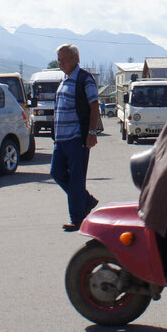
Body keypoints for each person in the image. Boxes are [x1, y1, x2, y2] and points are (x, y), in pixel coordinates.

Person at [50, 44, 101, 232]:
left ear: (75, 59)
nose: (60, 63)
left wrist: (92, 132)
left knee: (76, 179)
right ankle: (86, 200)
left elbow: (94, 106)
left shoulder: (84, 79)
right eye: (59, 60)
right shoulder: (64, 80)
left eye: (63, 59)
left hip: (77, 138)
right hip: (61, 140)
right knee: (56, 172)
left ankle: (78, 219)